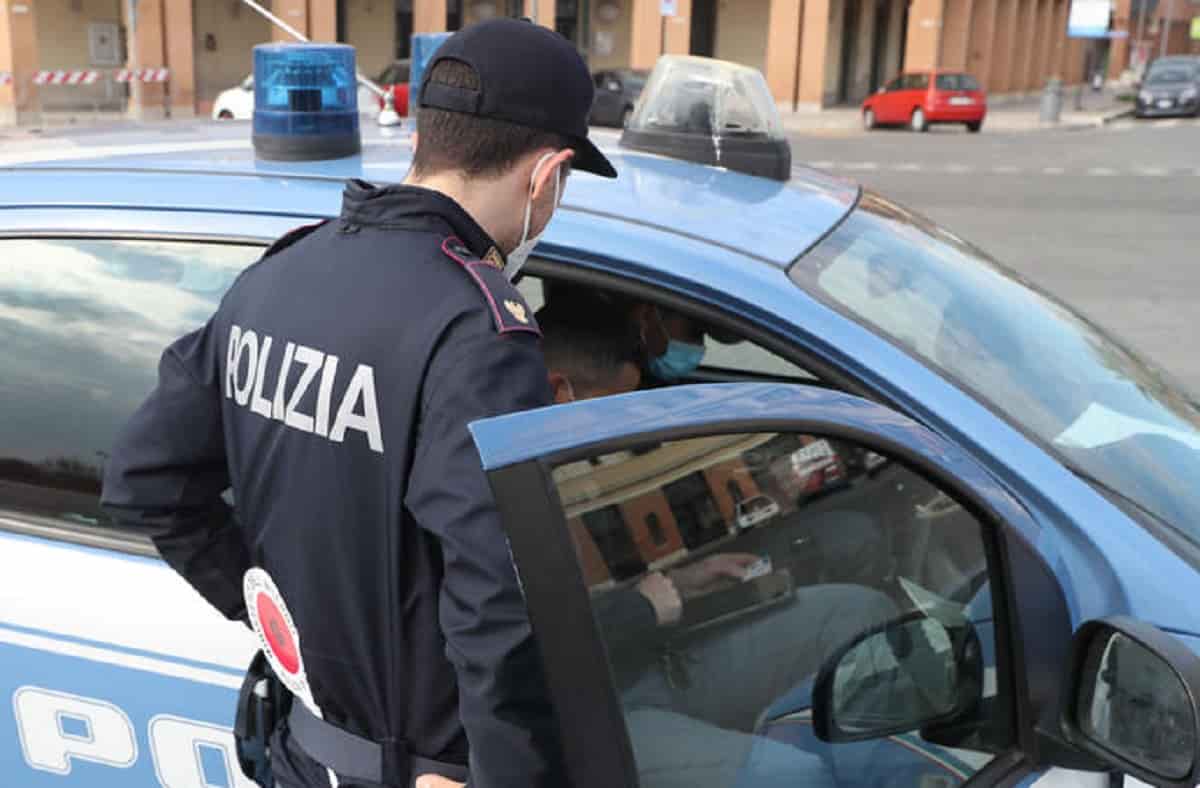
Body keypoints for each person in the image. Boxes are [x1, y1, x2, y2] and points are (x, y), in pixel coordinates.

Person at [100, 18, 616, 788]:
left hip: (300, 753)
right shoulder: (477, 330)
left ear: (427, 138)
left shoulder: (280, 275)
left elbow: (146, 480)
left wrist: (276, 618)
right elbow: (500, 605)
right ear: (546, 174)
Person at [536, 297, 899, 788]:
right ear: (561, 392)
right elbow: (520, 646)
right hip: (594, 708)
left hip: (658, 655)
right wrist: (639, 610)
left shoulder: (573, 455)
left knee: (859, 614)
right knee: (789, 777)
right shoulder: (488, 482)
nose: (616, 429)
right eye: (607, 409)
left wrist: (682, 582)